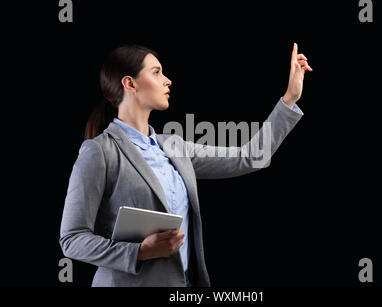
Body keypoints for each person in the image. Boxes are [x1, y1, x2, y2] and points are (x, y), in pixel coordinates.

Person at [59, 43, 312, 287]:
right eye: (156, 72)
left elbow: (251, 156)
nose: (167, 80)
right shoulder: (99, 151)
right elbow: (72, 239)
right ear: (130, 83)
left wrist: (289, 99)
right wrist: (137, 252)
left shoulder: (175, 147)